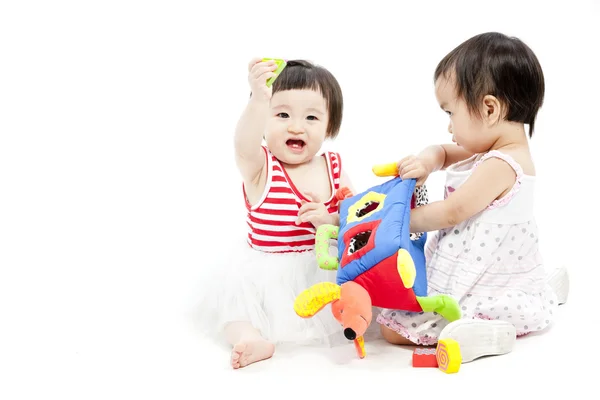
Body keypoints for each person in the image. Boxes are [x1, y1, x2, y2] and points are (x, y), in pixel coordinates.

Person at [377, 32, 569, 363]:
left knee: (392, 330)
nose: (450, 128)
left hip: (480, 281)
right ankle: (542, 290)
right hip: (491, 267)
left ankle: (490, 334)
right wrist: (425, 162)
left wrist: (395, 220)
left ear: (490, 109)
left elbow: (453, 212)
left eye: (450, 113)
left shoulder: (502, 164)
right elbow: (441, 151)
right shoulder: (489, 148)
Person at [199, 58, 354, 369]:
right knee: (236, 309)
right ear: (264, 121)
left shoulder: (333, 167)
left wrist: (329, 219)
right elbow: (243, 145)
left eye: (311, 117)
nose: (296, 126)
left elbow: (354, 218)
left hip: (319, 269)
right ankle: (250, 337)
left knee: (349, 302)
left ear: (329, 126)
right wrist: (258, 99)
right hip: (264, 274)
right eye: (282, 114)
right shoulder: (261, 166)